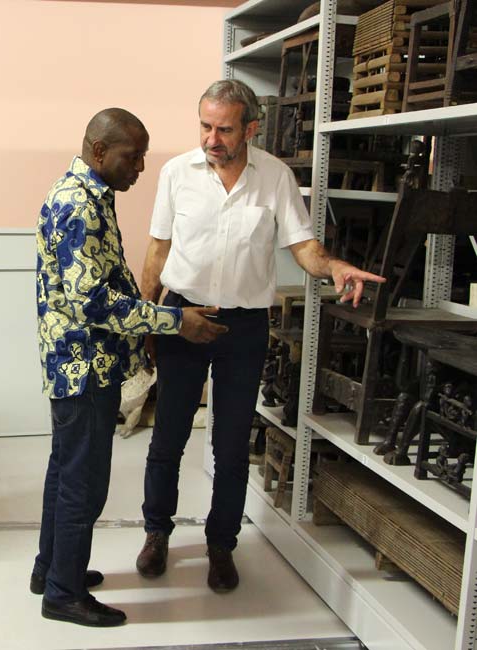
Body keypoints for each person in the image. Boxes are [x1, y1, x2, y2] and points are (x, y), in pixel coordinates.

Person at [135, 79, 385, 593]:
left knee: (229, 449)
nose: (211, 138)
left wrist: (332, 266)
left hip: (244, 327)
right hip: (183, 318)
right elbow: (158, 252)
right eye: (205, 125)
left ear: (251, 127)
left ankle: (221, 544)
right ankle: (156, 533)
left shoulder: (274, 178)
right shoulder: (176, 174)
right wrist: (145, 319)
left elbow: (303, 247)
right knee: (168, 439)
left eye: (224, 129)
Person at [33, 108, 226, 628]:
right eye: (132, 156)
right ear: (100, 152)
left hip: (80, 362)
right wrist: (172, 321)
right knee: (83, 482)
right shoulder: (80, 205)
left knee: (64, 471)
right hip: (83, 366)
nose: (141, 166)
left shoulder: (92, 195)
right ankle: (63, 593)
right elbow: (91, 301)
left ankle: (51, 568)